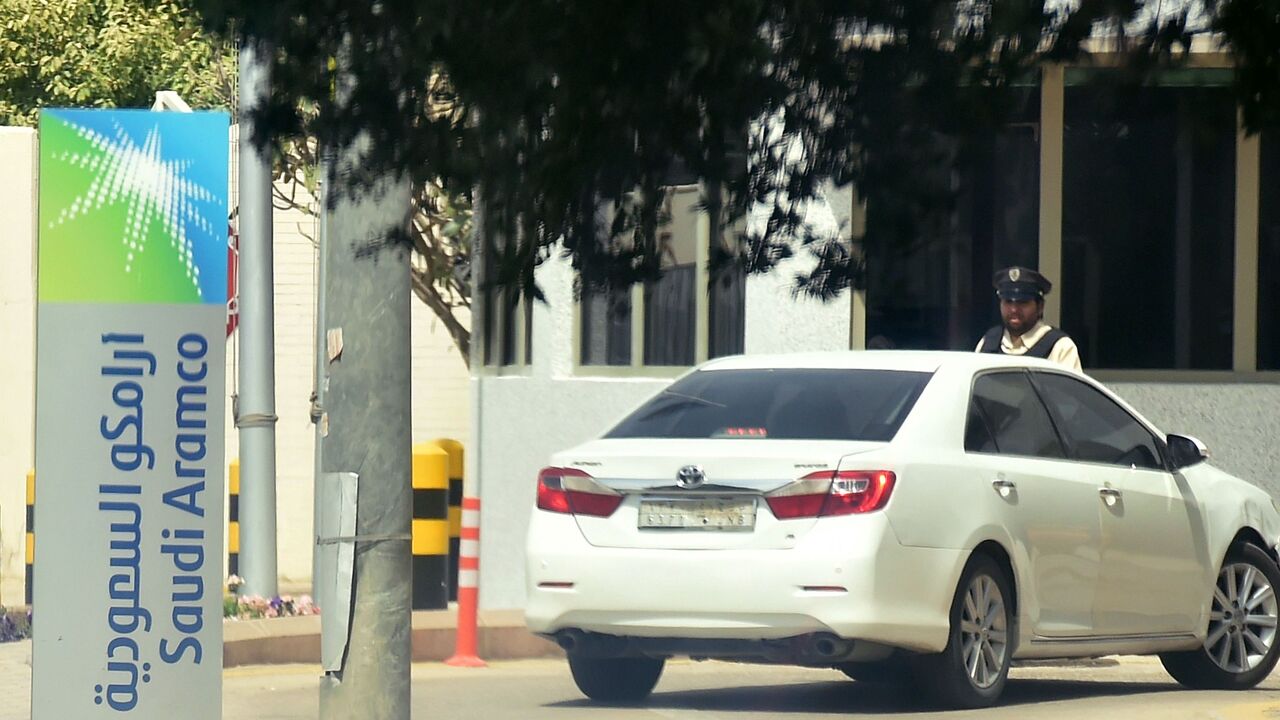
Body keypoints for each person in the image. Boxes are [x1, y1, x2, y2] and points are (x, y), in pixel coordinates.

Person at [975, 266, 1082, 373]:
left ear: (1040, 307)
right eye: (1008, 301)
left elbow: (1071, 389)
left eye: (1022, 302)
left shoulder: (1060, 347)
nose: (1014, 309)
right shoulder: (988, 342)